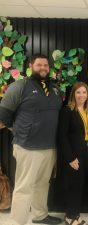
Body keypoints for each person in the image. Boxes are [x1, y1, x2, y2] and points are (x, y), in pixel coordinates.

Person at [0, 54, 62, 225]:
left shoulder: (55, 89)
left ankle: (40, 215)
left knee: (42, 184)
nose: (43, 68)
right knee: (24, 187)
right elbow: (4, 114)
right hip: (27, 147)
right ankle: (16, 221)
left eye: (46, 65)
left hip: (49, 147)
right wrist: (20, 130)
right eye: (39, 65)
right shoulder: (19, 86)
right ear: (31, 66)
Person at [58, 82, 88, 225]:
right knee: (73, 186)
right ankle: (69, 217)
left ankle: (76, 214)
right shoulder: (67, 111)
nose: (81, 95)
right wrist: (70, 158)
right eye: (78, 92)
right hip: (73, 154)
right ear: (73, 94)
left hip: (85, 154)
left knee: (79, 186)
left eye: (84, 92)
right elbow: (62, 136)